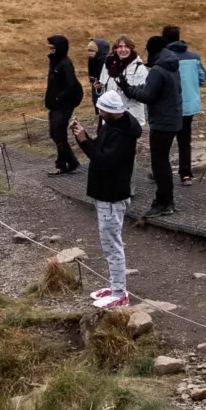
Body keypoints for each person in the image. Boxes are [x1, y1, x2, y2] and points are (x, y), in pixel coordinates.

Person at [74, 79, 141, 308]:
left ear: (112, 112)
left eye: (102, 109)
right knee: (109, 243)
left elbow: (105, 161)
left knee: (112, 244)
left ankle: (120, 293)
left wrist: (84, 142)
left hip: (112, 196)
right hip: (106, 193)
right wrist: (85, 138)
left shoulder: (123, 135)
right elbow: (101, 151)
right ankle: (114, 286)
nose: (98, 112)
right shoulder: (113, 126)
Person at [123, 34, 188, 218]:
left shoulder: (158, 70)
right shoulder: (171, 64)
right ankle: (166, 201)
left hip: (162, 122)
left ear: (152, 50)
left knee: (159, 163)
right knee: (163, 161)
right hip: (173, 118)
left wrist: (128, 89)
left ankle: (164, 202)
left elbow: (147, 96)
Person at [163, 24, 206, 182]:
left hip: (170, 106)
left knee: (164, 141)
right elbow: (202, 78)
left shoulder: (164, 58)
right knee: (185, 140)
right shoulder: (194, 57)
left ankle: (160, 172)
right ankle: (186, 174)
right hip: (189, 106)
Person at [44, 35, 84, 175]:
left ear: (59, 48)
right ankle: (72, 162)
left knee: (59, 136)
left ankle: (63, 165)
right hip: (55, 106)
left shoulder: (65, 63)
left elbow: (71, 85)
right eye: (49, 47)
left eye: (52, 48)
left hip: (62, 106)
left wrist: (58, 98)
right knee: (54, 135)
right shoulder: (54, 62)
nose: (49, 50)